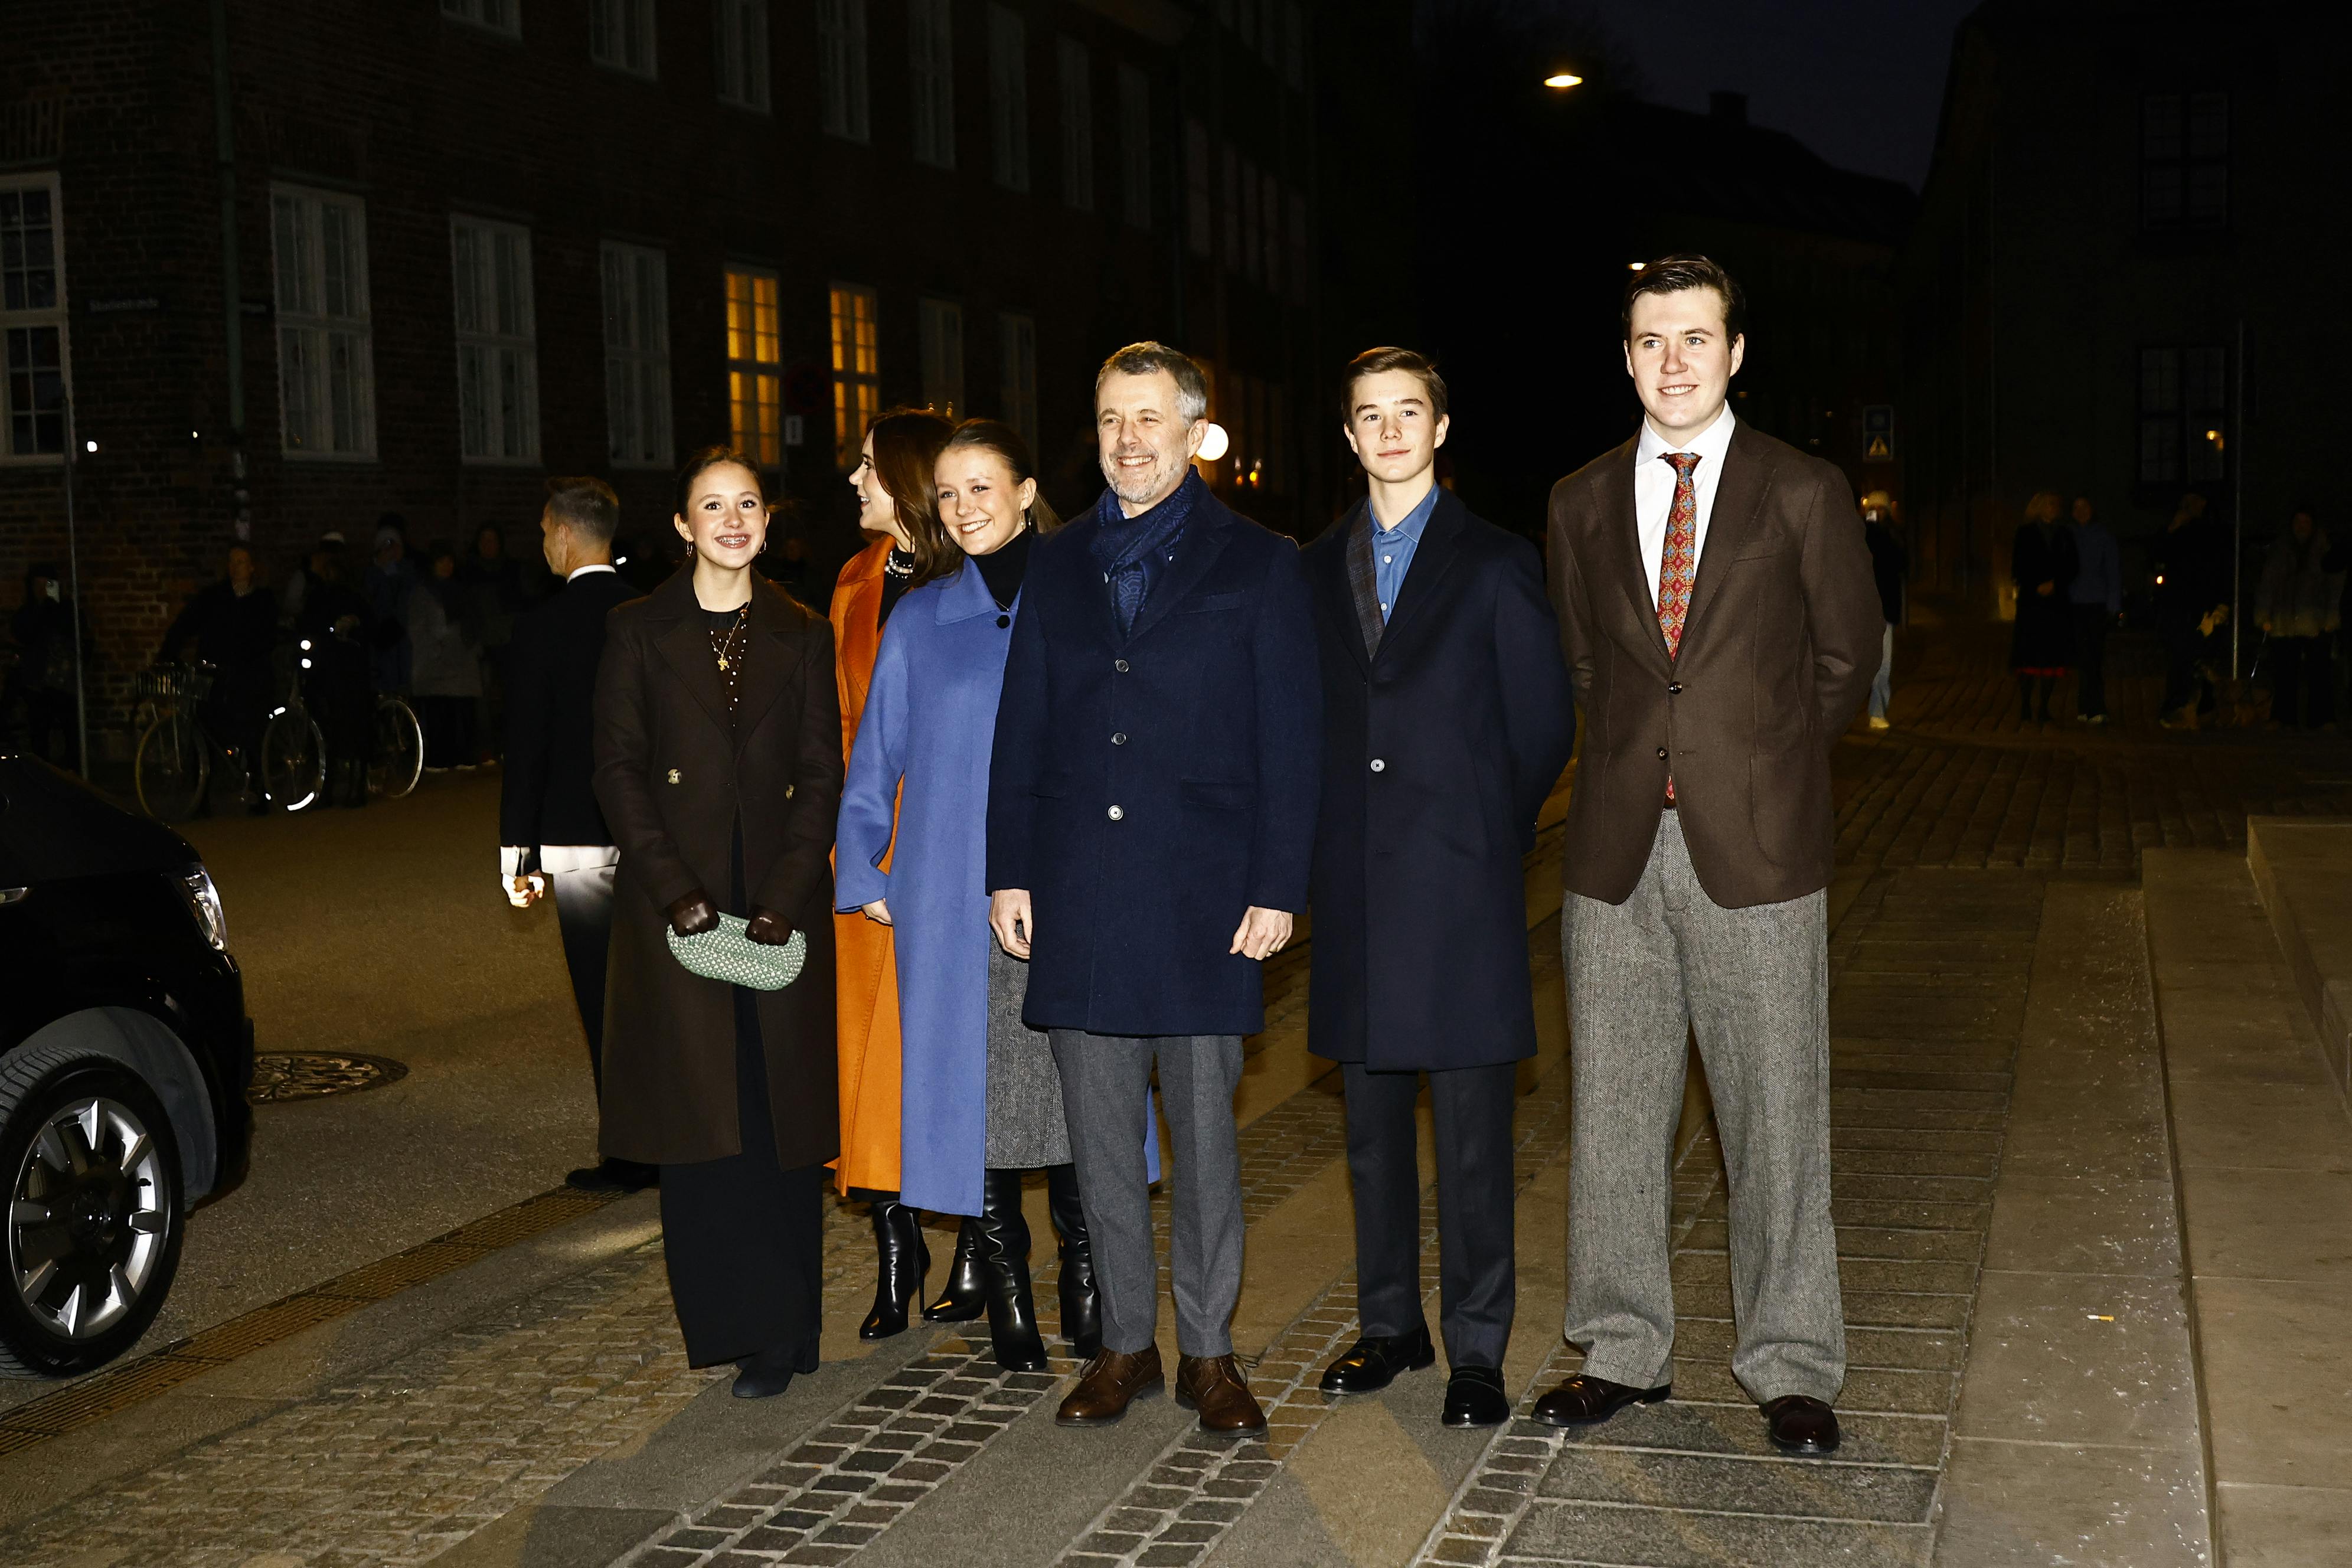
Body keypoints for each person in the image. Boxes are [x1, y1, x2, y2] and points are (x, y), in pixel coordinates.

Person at [1540, 254, 1880, 1457]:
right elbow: (1590, 667)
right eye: (1650, 340)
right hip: (1616, 854)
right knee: (1618, 1109)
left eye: (1695, 338)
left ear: (1737, 351)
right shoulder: (1579, 499)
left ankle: (1790, 1361)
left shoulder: (1804, 489)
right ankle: (1623, 1347)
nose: (1672, 361)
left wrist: (1760, 762)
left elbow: (1846, 659)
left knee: (1775, 1112)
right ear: (1625, 356)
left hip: (1761, 847)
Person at [988, 342, 1321, 1436]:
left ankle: (1209, 1352)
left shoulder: (1260, 563)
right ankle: (1125, 1345)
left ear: (1191, 432)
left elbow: (1289, 739)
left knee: (1205, 1139)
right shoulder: (1055, 561)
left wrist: (1276, 885)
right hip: (1081, 892)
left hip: (1203, 902)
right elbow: (1021, 729)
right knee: (1099, 1142)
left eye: (1146, 420)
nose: (1126, 442)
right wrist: (1010, 867)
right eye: (1108, 421)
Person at [1302, 349, 1573, 1428]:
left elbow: (1542, 719)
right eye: (1368, 416)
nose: (1388, 431)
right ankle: (1387, 1326)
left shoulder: (1495, 559)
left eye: (1406, 412)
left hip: (1456, 888)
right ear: (1350, 436)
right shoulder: (1313, 567)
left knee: (1470, 1137)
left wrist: (1482, 830)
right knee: (1370, 1129)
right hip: (1357, 889)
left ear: (1439, 427)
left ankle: (1475, 1346)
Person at [838, 419, 1112, 1373]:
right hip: (946, 885)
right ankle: (1005, 1285)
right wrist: (863, 866)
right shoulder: (920, 616)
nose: (960, 509)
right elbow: (876, 755)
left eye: (980, 489)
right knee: (967, 1090)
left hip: (1070, 876)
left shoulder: (1084, 595)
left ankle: (1087, 1271)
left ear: (1027, 489)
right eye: (946, 494)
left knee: (1077, 1079)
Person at [594, 447, 842, 1400]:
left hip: (775, 903)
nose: (732, 519)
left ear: (766, 524)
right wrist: (674, 890)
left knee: (778, 1122)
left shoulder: (801, 630)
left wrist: (783, 896)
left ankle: (787, 1328)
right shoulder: (635, 630)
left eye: (747, 504)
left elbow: (820, 773)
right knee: (702, 1126)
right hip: (681, 909)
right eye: (712, 505)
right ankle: (732, 1327)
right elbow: (616, 768)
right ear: (683, 527)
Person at [829, 406, 954, 1339]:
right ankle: (896, 1250)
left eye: (868, 467)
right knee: (871, 1059)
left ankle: (988, 1253)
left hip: (950, 842)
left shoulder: (973, 571)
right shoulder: (852, 582)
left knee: (950, 1050)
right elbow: (842, 726)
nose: (855, 482)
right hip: (870, 845)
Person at [501, 477, 654, 1195]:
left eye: (542, 533)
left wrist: (517, 853)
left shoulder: (544, 626)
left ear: (564, 535)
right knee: (658, 987)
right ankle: (676, 1133)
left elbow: (527, 747)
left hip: (577, 839)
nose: (543, 546)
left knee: (602, 993)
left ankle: (628, 1150)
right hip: (653, 835)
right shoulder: (650, 613)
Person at [161, 544, 280, 812]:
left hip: (248, 675)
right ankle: (202, 795)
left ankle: (258, 790)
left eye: (240, 561)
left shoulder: (262, 600)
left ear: (251, 567)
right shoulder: (214, 597)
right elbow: (186, 622)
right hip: (215, 674)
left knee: (252, 730)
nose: (234, 566)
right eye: (232, 561)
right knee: (204, 729)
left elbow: (266, 637)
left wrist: (247, 658)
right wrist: (168, 652)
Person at [292, 537, 374, 808]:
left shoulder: (352, 594)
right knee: (328, 728)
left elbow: (368, 626)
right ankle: (330, 786)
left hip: (349, 669)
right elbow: (308, 626)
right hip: (327, 669)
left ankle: (355, 784)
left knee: (350, 725)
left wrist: (352, 626)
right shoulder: (318, 595)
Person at [2256, 505, 2343, 731]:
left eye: (2305, 522)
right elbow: (2268, 584)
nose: (2301, 527)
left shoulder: (2325, 549)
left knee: (2320, 672)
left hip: (2316, 618)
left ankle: (2322, 718)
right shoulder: (2280, 550)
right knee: (2285, 671)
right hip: (2284, 620)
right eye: (2297, 522)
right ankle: (2284, 717)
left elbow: (2336, 586)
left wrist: (2332, 616)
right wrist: (2264, 615)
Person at [2151, 492, 2230, 728]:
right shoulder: (2176, 531)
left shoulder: (2213, 533)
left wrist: (2221, 604)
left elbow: (2221, 569)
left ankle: (2203, 709)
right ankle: (2177, 705)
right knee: (2180, 657)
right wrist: (2173, 528)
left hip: (2203, 606)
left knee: (2202, 659)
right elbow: (2159, 556)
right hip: (2177, 606)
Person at [409, 541, 484, 771]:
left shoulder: (462, 591)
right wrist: (437, 647)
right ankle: (440, 758)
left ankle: (465, 755)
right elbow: (419, 627)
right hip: (436, 665)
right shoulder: (423, 593)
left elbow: (475, 624)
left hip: (462, 662)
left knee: (462, 711)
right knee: (439, 713)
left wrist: (472, 646)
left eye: (450, 561)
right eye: (442, 561)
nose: (447, 566)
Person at [4, 563, 85, 769]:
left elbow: (76, 633)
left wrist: (54, 605)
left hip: (63, 682)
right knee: (40, 731)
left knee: (70, 731)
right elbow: (24, 634)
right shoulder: (28, 613)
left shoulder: (65, 610)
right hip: (37, 682)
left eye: (47, 586)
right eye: (37, 586)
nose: (42, 591)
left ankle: (71, 773)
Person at [462, 522, 530, 765]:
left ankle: (511, 747)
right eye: (484, 541)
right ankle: (487, 749)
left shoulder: (513, 571)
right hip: (483, 648)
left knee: (513, 698)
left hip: (510, 645)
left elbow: (525, 606)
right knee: (483, 702)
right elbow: (468, 613)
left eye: (492, 540)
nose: (488, 545)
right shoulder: (470, 573)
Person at [2008, 491, 2077, 724]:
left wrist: (2056, 584)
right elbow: (2018, 565)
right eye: (2049, 504)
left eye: (2055, 504)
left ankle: (2044, 707)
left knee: (2052, 657)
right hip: (2032, 602)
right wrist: (2035, 585)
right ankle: (2026, 705)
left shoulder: (2064, 534)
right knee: (2028, 655)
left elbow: (2072, 565)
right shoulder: (2026, 533)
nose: (2053, 508)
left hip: (2055, 604)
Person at [2067, 496, 2122, 725]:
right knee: (2083, 657)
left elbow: (2113, 571)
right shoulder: (2068, 535)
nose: (2081, 511)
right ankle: (2087, 706)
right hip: (2074, 604)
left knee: (2094, 657)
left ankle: (2094, 706)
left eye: (2085, 507)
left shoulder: (2103, 537)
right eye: (2077, 507)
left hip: (2096, 604)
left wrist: (2114, 606)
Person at [1862, 509, 1906, 731]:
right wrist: (1869, 527)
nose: (1876, 513)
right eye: (1873, 509)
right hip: (1865, 609)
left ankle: (1877, 710)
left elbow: (1901, 563)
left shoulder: (1892, 536)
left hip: (1885, 609)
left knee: (1883, 664)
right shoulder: (1863, 534)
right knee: (1869, 665)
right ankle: (1874, 711)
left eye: (1881, 509)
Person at [365, 515, 417, 696]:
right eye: (386, 546)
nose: (391, 552)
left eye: (395, 546)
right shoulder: (371, 577)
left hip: (404, 644)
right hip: (380, 645)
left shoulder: (410, 576)